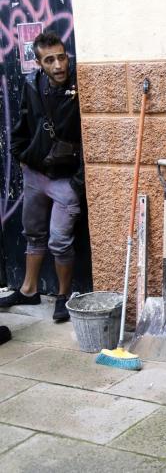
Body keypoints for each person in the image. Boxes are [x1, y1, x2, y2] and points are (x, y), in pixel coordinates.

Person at [0, 31, 83, 321]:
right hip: (35, 173)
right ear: (39, 63)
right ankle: (29, 290)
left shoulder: (80, 85)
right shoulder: (32, 84)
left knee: (60, 241)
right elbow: (23, 122)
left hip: (65, 179)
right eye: (50, 60)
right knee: (33, 234)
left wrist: (77, 182)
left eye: (62, 57)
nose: (58, 65)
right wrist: (21, 156)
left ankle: (63, 296)